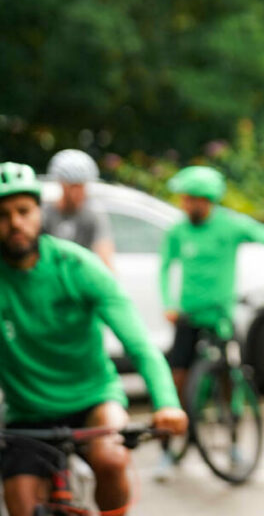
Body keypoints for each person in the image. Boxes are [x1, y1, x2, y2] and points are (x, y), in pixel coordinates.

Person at [0, 162, 188, 516]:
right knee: (20, 504)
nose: (15, 224)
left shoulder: (78, 266)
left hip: (93, 399)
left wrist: (167, 403)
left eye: (23, 211)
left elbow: (140, 346)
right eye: (3, 215)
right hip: (27, 411)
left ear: (39, 212)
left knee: (113, 457)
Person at [157, 165, 264, 475]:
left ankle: (234, 439)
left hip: (221, 316)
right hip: (188, 316)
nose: (185, 205)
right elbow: (164, 267)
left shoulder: (230, 225)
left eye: (191, 199)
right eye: (183, 199)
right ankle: (172, 446)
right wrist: (169, 303)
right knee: (176, 377)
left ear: (206, 199)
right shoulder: (178, 231)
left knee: (232, 376)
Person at [43, 149, 116, 271]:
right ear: (61, 185)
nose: (80, 192)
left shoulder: (93, 214)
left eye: (82, 186)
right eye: (74, 187)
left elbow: (105, 253)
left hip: (82, 278)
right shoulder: (45, 214)